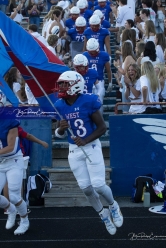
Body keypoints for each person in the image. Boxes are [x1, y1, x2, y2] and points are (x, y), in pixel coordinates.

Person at [54, 70, 123, 235]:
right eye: (61, 83)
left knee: (98, 185)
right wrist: (61, 129)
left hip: (91, 146)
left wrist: (86, 140)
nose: (62, 87)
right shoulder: (60, 105)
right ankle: (103, 214)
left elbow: (102, 128)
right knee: (85, 188)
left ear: (75, 85)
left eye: (65, 83)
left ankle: (113, 205)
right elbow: (58, 134)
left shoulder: (88, 100)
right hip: (74, 150)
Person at [0, 119, 29, 235]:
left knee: (14, 196)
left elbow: (10, 148)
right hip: (0, 162)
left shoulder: (10, 122)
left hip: (14, 161)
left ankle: (24, 221)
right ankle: (11, 210)